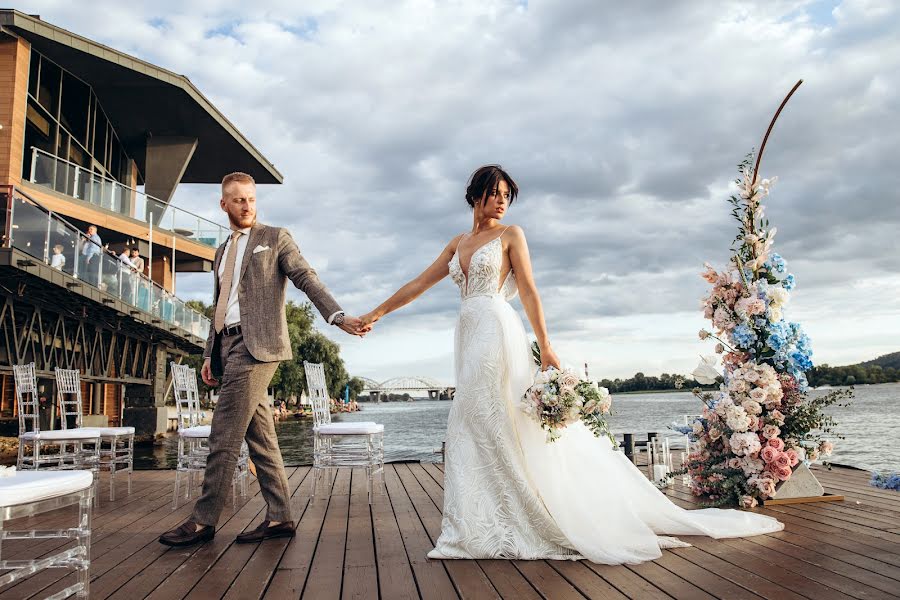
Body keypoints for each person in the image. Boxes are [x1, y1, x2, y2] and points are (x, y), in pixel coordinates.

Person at [360, 165, 783, 564]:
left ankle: (524, 516)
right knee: (470, 418)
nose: (502, 201)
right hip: (467, 330)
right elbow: (418, 283)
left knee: (496, 416)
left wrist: (546, 346)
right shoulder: (456, 243)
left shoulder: (511, 234)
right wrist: (375, 314)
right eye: (495, 193)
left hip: (496, 327)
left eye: (508, 195)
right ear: (475, 195)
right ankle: (477, 522)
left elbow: (528, 290)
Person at [159, 171, 370, 548]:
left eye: (251, 199)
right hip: (228, 346)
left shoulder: (275, 238)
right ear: (224, 204)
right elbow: (219, 306)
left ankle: (203, 521)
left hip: (259, 347)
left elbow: (306, 277)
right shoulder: (221, 251)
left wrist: (337, 316)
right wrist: (210, 355)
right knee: (262, 437)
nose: (246, 205)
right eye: (238, 200)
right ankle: (280, 517)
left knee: (223, 433)